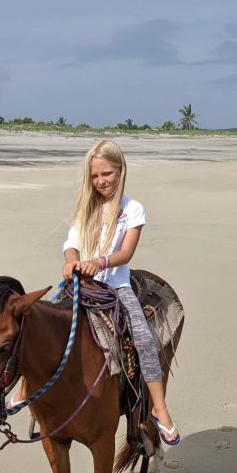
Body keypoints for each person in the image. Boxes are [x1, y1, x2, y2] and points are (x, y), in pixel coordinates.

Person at [60, 139, 180, 445]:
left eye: (107, 174)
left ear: (120, 171)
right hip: (82, 284)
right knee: (40, 322)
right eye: (95, 176)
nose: (101, 181)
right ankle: (28, 395)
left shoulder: (132, 209)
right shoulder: (85, 209)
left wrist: (99, 261)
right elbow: (71, 244)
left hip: (117, 286)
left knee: (144, 338)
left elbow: (126, 253)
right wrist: (72, 262)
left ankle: (160, 409)